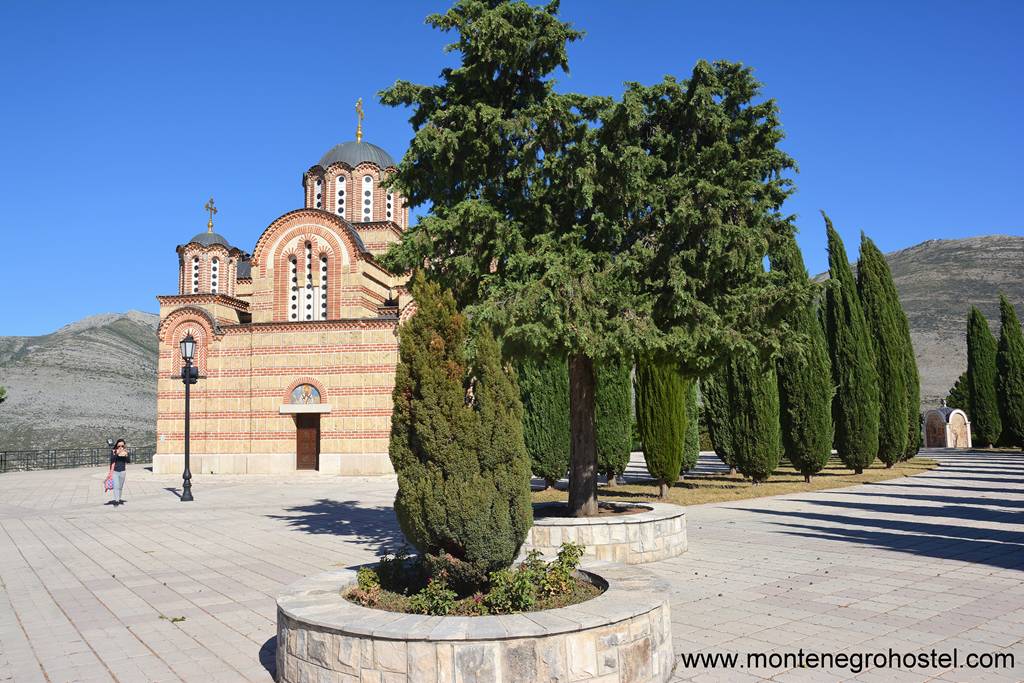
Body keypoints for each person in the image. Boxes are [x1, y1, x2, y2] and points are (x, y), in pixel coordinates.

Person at [107, 439, 130, 506]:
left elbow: (128, 461)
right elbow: (112, 460)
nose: (120, 447)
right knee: (116, 486)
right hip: (115, 471)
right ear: (117, 445)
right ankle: (116, 501)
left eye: (122, 445)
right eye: (119, 445)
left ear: (124, 446)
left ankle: (119, 499)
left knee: (120, 487)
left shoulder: (125, 451)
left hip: (123, 471)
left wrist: (126, 455)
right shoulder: (114, 451)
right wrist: (117, 453)